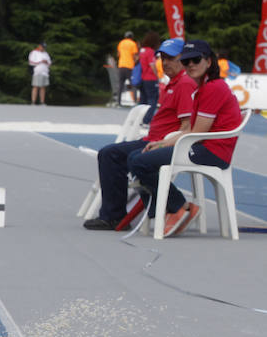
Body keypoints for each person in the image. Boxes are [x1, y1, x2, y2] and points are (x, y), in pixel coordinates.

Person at [127, 39, 243, 237]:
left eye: (195, 60)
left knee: (139, 161)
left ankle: (179, 207)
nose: (190, 65)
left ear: (208, 62)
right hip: (203, 146)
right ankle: (170, 209)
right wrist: (162, 143)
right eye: (186, 60)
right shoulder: (204, 88)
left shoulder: (213, 88)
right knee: (135, 157)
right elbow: (193, 131)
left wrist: (164, 143)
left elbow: (197, 132)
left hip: (212, 151)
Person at [84, 38, 195, 231]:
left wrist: (163, 143)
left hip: (162, 143)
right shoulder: (173, 83)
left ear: (183, 59)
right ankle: (123, 213)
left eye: (171, 58)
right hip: (152, 140)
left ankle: (171, 206)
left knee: (112, 155)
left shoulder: (184, 84)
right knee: (112, 153)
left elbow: (187, 126)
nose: (165, 62)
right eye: (163, 58)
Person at [138, 31, 161, 123]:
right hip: (151, 78)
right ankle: (147, 120)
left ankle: (139, 119)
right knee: (152, 100)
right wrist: (157, 76)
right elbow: (152, 65)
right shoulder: (151, 52)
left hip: (143, 77)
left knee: (143, 100)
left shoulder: (142, 51)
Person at [116, 31, 139, 106]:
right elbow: (135, 56)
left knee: (120, 84)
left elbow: (118, 54)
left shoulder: (121, 43)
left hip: (121, 65)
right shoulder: (133, 44)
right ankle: (135, 101)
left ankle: (118, 102)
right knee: (133, 84)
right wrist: (136, 62)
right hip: (129, 66)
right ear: (131, 37)